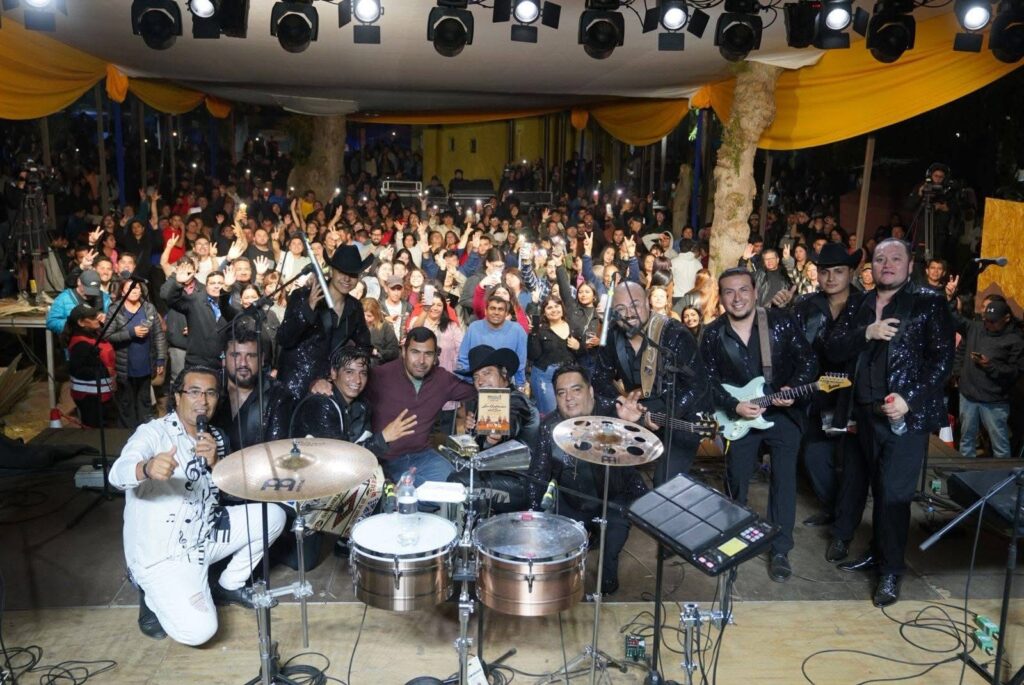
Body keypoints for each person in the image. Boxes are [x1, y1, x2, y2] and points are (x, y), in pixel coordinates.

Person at [109, 366, 286, 645]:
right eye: (194, 392)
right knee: (200, 632)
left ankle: (229, 585)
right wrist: (146, 468)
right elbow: (116, 474)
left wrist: (217, 465)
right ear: (177, 397)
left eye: (210, 393)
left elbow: (230, 494)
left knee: (273, 515)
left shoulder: (214, 438)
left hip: (205, 534)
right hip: (165, 554)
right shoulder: (153, 434)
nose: (202, 400)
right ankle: (149, 591)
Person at [824, 238, 955, 607]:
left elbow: (942, 361)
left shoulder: (928, 303)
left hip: (905, 420)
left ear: (910, 265)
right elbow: (833, 347)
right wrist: (865, 332)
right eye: (880, 258)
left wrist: (909, 399)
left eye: (896, 258)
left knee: (895, 496)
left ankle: (891, 572)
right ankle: (877, 554)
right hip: (864, 413)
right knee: (875, 490)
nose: (888, 264)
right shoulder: (860, 303)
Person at [699, 268, 818, 582]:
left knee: (784, 481)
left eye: (743, 290)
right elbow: (706, 381)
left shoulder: (780, 322)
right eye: (729, 292)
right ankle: (733, 544)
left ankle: (780, 549)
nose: (737, 298)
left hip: (781, 415)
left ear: (755, 292)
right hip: (738, 416)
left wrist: (793, 387)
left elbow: (808, 361)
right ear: (721, 297)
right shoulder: (712, 334)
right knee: (736, 481)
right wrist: (733, 405)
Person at [528, 363, 647, 595]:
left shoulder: (614, 412)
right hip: (572, 499)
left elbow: (640, 451)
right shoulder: (550, 426)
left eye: (576, 390)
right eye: (561, 393)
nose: (569, 398)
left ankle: (607, 567)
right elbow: (538, 475)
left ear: (590, 391)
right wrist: (533, 518)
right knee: (563, 575)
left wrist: (633, 424)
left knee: (608, 572)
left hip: (614, 499)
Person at [594, 281, 712, 482]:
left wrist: (666, 415)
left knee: (665, 483)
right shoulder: (613, 336)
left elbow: (697, 385)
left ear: (648, 304)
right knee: (612, 473)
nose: (628, 314)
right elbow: (599, 378)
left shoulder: (675, 333)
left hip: (683, 415)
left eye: (634, 305)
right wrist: (622, 402)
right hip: (641, 413)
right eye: (621, 309)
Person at [365, 327, 477, 485]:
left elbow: (477, 391)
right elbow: (349, 390)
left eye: (428, 354)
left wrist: (475, 415)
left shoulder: (442, 379)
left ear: (436, 356)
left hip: (423, 455)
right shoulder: (379, 376)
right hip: (385, 460)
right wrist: (324, 383)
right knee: (410, 491)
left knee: (457, 485)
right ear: (404, 352)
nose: (422, 361)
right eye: (415, 352)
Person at [276, 245, 373, 400]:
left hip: (327, 388)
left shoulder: (354, 307)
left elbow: (364, 347)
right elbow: (284, 338)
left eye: (353, 274)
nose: (347, 279)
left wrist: (342, 372)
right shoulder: (302, 296)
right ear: (332, 271)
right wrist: (308, 309)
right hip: (293, 386)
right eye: (342, 272)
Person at [955, 299, 1023, 459]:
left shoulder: (1015, 340)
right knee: (967, 440)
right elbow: (954, 320)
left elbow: (1015, 372)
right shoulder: (976, 328)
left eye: (993, 322)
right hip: (969, 396)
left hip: (994, 401)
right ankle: (966, 471)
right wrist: (949, 299)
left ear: (1006, 318)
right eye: (986, 320)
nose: (988, 324)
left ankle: (1003, 474)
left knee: (1000, 445)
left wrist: (990, 366)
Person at [212, 324, 293, 450]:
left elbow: (277, 450)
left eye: (251, 356)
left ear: (261, 360)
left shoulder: (278, 396)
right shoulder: (210, 387)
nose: (243, 363)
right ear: (224, 358)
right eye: (235, 355)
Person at [108, 281, 166, 430]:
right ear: (122, 292)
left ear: (141, 291)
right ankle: (126, 433)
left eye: (137, 288)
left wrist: (160, 359)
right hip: (125, 366)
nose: (134, 291)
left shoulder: (149, 308)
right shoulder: (116, 310)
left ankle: (145, 433)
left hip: (146, 364)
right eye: (129, 288)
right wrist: (131, 333)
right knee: (126, 402)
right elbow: (108, 335)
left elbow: (159, 335)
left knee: (145, 401)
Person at [161, 265, 236, 368]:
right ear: (206, 286)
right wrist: (178, 284)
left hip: (225, 363)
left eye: (220, 283)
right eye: (212, 283)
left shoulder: (233, 305)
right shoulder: (194, 301)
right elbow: (171, 300)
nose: (216, 286)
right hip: (196, 363)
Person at [457, 295, 528, 388]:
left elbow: (520, 363)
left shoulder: (517, 330)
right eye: (492, 308)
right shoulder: (474, 328)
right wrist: (468, 383)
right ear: (486, 311)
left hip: (506, 385)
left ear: (506, 313)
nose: (496, 312)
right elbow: (463, 358)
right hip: (477, 384)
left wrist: (520, 385)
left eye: (500, 309)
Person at [65, 304, 116, 427]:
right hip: (90, 397)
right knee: (94, 429)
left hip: (101, 394)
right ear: (81, 322)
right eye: (92, 318)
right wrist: (105, 371)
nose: (97, 319)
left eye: (96, 315)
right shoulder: (81, 344)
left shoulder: (92, 334)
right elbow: (77, 370)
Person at [46, 269, 110, 335]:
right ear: (79, 282)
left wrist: (106, 319)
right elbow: (51, 323)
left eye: (93, 290)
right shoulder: (64, 298)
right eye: (87, 289)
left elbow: (113, 322)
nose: (89, 294)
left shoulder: (105, 298)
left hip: (98, 339)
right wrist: (75, 324)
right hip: (74, 338)